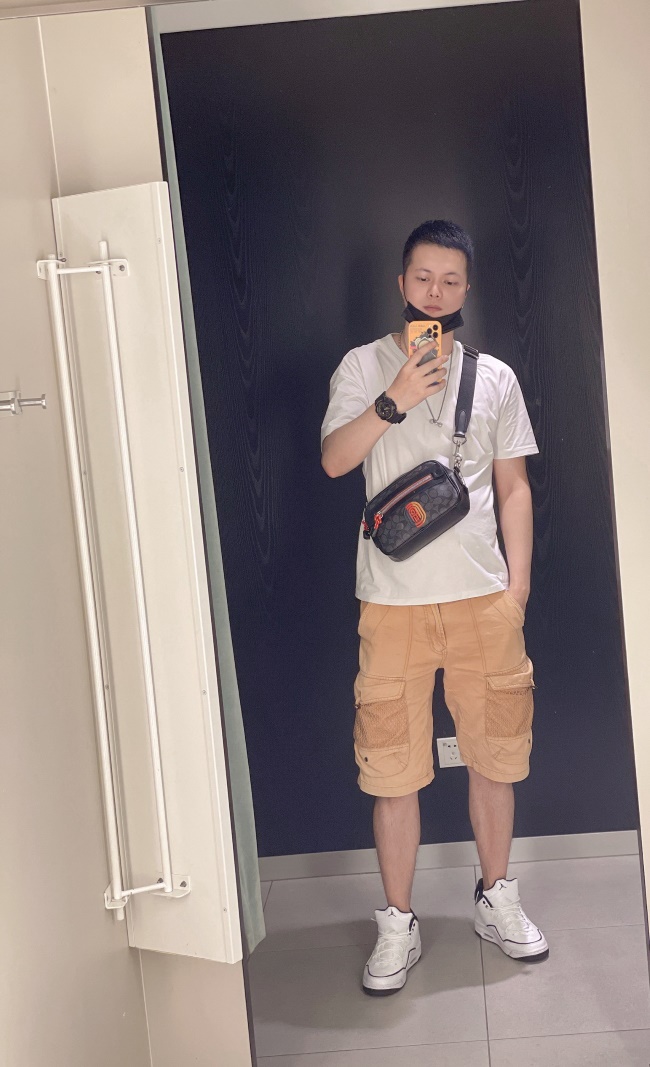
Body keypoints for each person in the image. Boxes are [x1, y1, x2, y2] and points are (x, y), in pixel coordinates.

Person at [320, 219, 548, 997]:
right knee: (392, 768)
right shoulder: (362, 367)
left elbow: (514, 487)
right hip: (392, 604)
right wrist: (394, 399)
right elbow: (334, 460)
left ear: (466, 289)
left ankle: (496, 895)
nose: (436, 292)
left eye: (451, 281)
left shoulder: (496, 378)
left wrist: (517, 588)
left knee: (496, 755)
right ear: (401, 282)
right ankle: (398, 922)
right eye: (423, 278)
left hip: (484, 600)